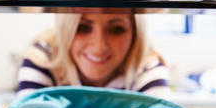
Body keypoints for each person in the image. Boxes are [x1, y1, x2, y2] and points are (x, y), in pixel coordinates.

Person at [17, 11, 172, 99]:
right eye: (83, 27)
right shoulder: (43, 58)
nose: (99, 46)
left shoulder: (147, 66)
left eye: (117, 29)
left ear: (135, 33)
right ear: (66, 30)